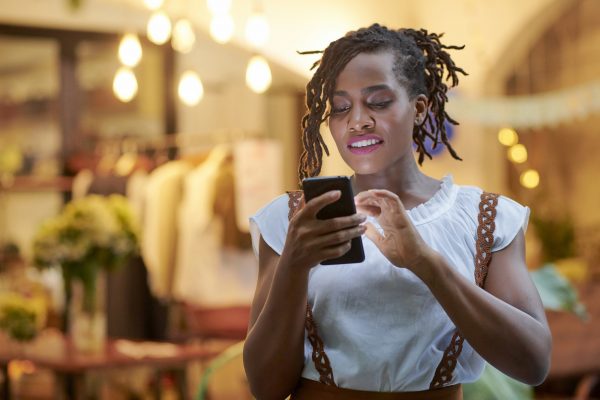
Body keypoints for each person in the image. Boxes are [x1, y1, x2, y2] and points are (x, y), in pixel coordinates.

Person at [243, 24, 551, 400]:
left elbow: (534, 363)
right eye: (341, 108)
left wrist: (425, 263)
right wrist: (294, 265)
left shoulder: (485, 218)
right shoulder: (293, 220)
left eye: (378, 102)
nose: (358, 120)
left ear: (419, 108)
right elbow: (265, 387)